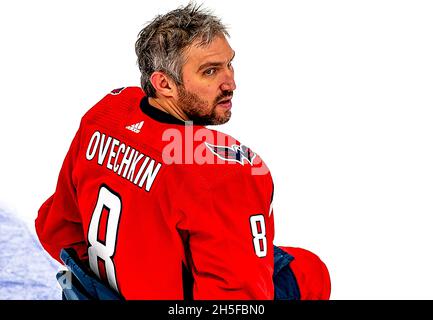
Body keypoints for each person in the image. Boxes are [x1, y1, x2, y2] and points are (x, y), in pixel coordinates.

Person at [35, 3, 330, 300]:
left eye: (230, 64)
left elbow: (56, 228)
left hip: (97, 288)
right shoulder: (225, 170)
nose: (231, 83)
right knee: (310, 273)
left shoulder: (106, 113)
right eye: (210, 71)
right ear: (164, 83)